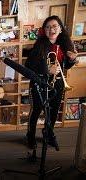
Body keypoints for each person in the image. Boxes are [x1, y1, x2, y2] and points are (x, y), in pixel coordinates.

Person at [25, 15, 77, 151]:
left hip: (57, 84)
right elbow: (28, 65)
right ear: (44, 30)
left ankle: (48, 133)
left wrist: (71, 60)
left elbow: (66, 66)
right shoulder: (39, 45)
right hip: (39, 84)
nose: (51, 29)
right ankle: (30, 136)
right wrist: (46, 69)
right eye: (48, 27)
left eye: (54, 26)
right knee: (35, 111)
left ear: (60, 28)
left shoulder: (66, 45)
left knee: (53, 112)